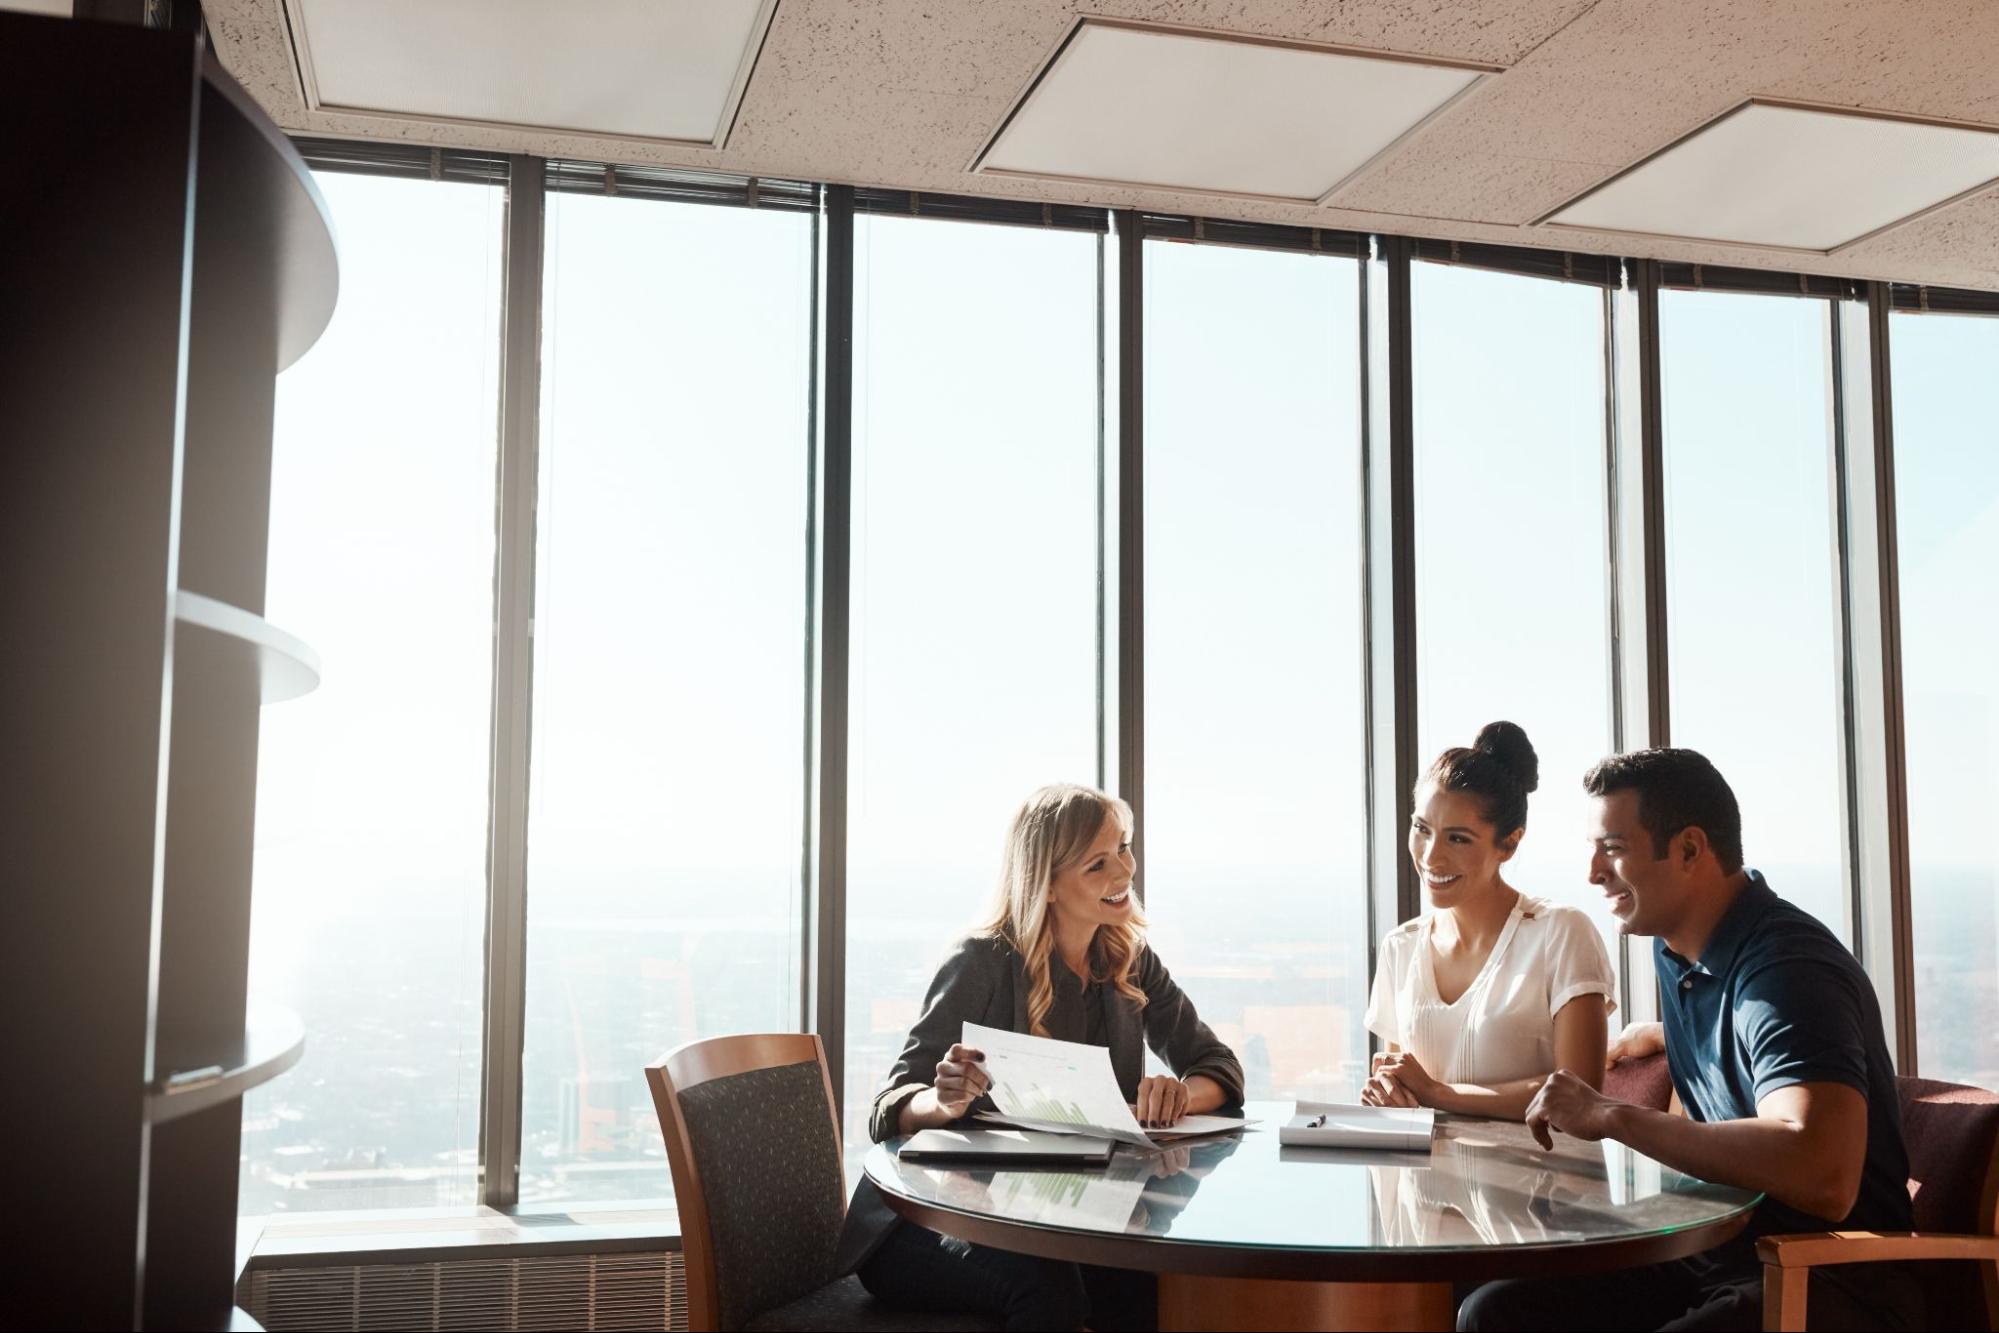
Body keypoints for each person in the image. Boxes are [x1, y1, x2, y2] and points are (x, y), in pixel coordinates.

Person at [1462, 747, 1919, 1332]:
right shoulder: (1678, 950)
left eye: (1614, 848)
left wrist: (1612, 1114)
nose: (1593, 872)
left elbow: (1821, 1172)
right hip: (1717, 1253)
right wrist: (1659, 1037)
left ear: (1689, 850)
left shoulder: (1788, 970)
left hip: (1824, 1278)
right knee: (1495, 1311)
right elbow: (1761, 1049)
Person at [832, 783, 1245, 1332]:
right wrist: (942, 1100)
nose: (1123, 874)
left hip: (1056, 1214)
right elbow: (889, 1107)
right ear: (1047, 885)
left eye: (1124, 848)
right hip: (925, 1222)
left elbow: (1219, 1066)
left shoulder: (1128, 959)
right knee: (1050, 1290)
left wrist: (1178, 1093)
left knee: (1147, 1284)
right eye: (1097, 865)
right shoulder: (982, 960)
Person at [1364, 722, 1615, 1119]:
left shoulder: (1561, 934)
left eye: (1458, 838)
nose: (1431, 857)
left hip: (1540, 1179)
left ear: (1510, 843)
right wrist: (1391, 1093)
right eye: (1421, 828)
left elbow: (1577, 1095)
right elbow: (1404, 1094)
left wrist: (1437, 1093)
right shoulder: (1401, 946)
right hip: (1423, 1177)